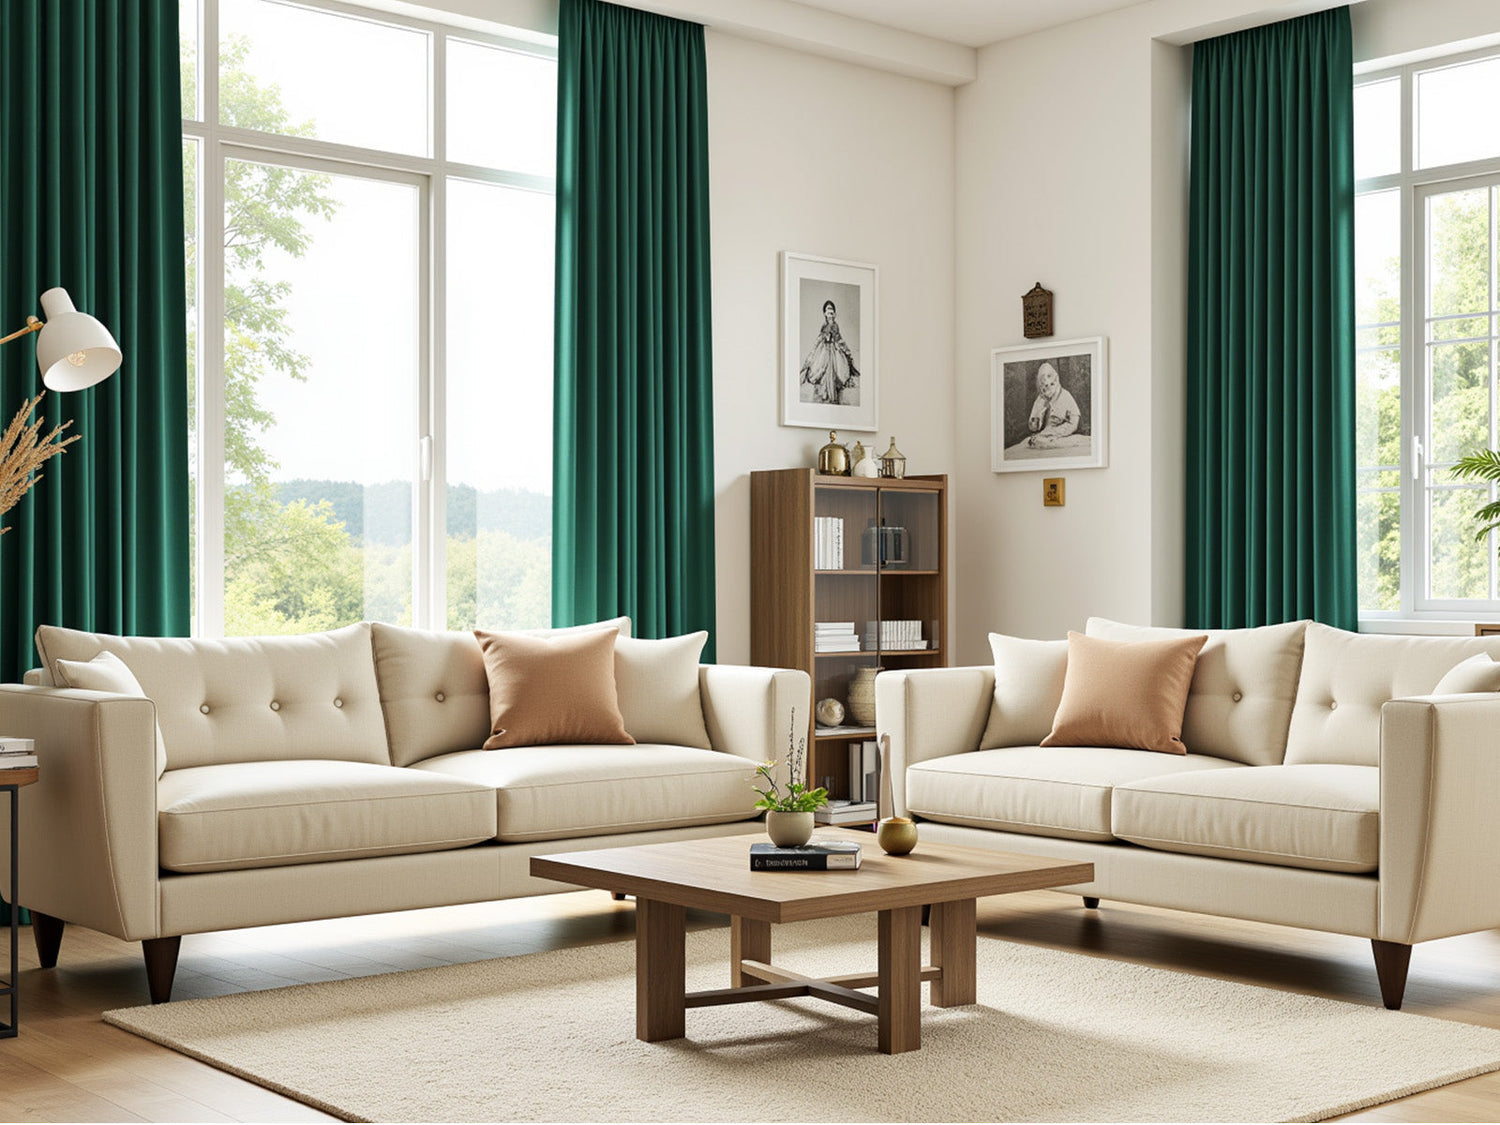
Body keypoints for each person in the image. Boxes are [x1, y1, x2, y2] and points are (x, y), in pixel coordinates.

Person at [799, 299, 860, 405]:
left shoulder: (835, 325)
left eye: (831, 309)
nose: (830, 312)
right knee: (819, 368)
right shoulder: (824, 325)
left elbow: (838, 338)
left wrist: (845, 350)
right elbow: (820, 338)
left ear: (834, 313)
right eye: (828, 310)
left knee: (835, 368)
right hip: (824, 349)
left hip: (833, 349)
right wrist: (814, 350)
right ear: (824, 313)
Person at [1026, 361, 1080, 448]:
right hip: (1041, 438)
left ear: (1056, 381)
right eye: (1044, 386)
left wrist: (1054, 433)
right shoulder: (1040, 400)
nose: (1048, 388)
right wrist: (1038, 413)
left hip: (1063, 437)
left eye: (1051, 384)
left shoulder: (1066, 396)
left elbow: (1074, 423)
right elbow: (1033, 428)